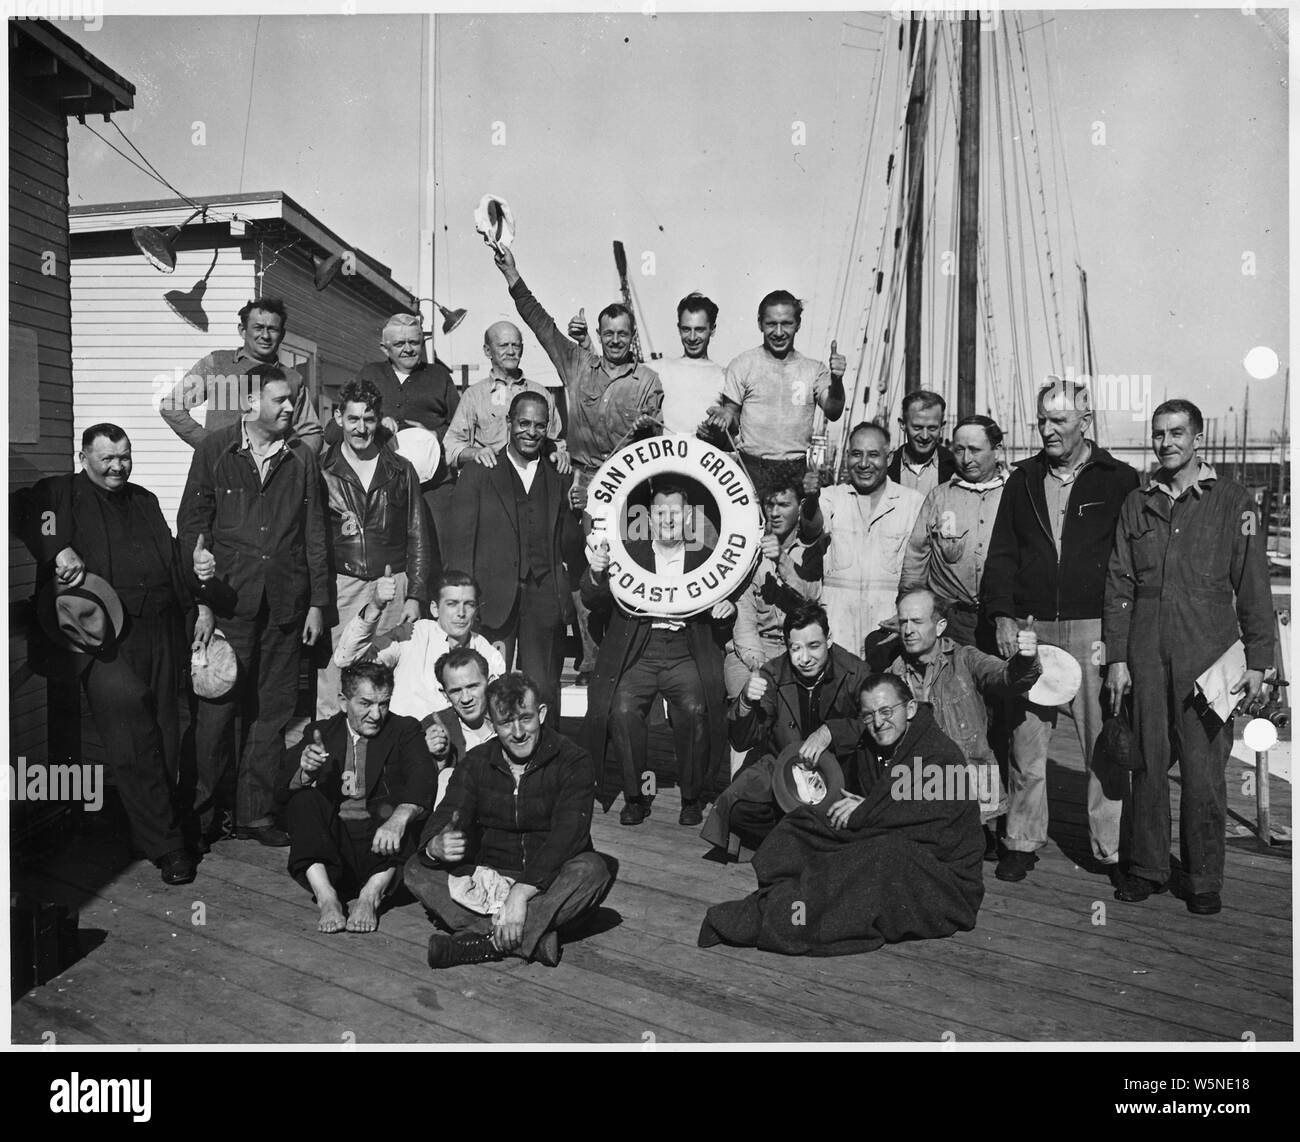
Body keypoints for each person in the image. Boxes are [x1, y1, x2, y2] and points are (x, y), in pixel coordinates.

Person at [1104, 399, 1273, 915]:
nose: (1166, 443)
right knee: (1149, 764)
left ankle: (1203, 878)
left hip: (1211, 651)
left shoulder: (1235, 502)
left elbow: (1253, 584)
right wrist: (1117, 656)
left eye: (1177, 433)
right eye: (1158, 434)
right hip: (1146, 650)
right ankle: (1149, 868)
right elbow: (1119, 583)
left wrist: (1260, 659)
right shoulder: (1138, 502)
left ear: (1198, 437)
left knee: (1203, 771)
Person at [15, 424, 194, 884]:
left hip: (161, 628)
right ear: (83, 457)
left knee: (168, 732)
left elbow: (172, 562)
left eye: (125, 457)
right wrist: (58, 550)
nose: (118, 466)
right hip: (104, 641)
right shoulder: (60, 494)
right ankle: (167, 846)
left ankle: (151, 825)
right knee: (133, 738)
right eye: (107, 458)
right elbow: (24, 508)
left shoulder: (145, 499)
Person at [698, 673, 984, 956]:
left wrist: (866, 811)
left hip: (943, 882)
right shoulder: (877, 743)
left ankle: (777, 915)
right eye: (869, 715)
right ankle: (785, 892)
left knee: (876, 856)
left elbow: (933, 829)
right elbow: (854, 737)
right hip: (889, 837)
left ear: (910, 709)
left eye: (887, 711)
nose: (879, 722)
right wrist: (827, 734)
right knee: (805, 821)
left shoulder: (940, 756)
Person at [981, 377, 1139, 884]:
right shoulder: (1022, 479)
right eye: (1042, 421)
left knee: (1101, 745)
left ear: (1085, 423)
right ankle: (1022, 841)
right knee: (1026, 744)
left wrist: (1121, 639)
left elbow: (1130, 563)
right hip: (1033, 629)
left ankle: (1110, 849)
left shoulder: (1120, 479)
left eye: (1060, 422)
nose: (1048, 431)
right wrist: (1003, 614)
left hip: (1093, 627)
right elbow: (1002, 553)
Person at [491, 243, 663, 678]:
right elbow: (540, 323)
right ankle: (589, 657)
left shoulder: (648, 381)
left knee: (632, 565)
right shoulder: (576, 363)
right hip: (582, 486)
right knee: (585, 571)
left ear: (632, 336)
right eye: (609, 334)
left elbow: (653, 439)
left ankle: (626, 656)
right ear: (600, 336)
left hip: (632, 487)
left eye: (624, 334)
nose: (616, 340)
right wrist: (513, 275)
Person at [179, 375, 330, 848]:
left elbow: (315, 535)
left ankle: (255, 814)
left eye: (292, 400)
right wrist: (200, 591)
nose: (290, 408)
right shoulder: (215, 451)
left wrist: (317, 604)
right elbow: (192, 525)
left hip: (285, 606)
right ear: (250, 402)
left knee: (272, 713)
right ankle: (202, 817)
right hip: (228, 603)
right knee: (216, 713)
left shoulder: (301, 457)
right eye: (281, 400)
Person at [405, 673, 613, 969]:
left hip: (547, 880)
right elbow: (448, 812)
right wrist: (435, 844)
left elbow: (569, 835)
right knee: (416, 867)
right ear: (492, 724)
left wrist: (521, 892)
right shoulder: (476, 762)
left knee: (594, 870)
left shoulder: (573, 761)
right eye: (505, 723)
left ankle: (484, 942)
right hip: (489, 875)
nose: (518, 732)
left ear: (541, 714)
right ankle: (532, 938)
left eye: (525, 719)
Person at [582, 482, 735, 827]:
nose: (668, 519)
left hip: (684, 652)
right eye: (661, 512)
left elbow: (723, 611)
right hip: (640, 649)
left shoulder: (705, 557)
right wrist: (596, 571)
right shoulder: (627, 554)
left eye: (676, 512)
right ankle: (636, 796)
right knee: (621, 710)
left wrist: (727, 609)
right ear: (649, 517)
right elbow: (592, 600)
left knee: (696, 708)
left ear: (687, 516)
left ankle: (691, 796)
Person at [450, 391, 586, 712]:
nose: (531, 431)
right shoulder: (481, 470)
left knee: (546, 691)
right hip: (492, 598)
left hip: (543, 598)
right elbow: (459, 544)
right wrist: (464, 603)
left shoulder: (559, 476)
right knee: (487, 687)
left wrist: (577, 511)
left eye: (540, 425)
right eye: (523, 423)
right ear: (509, 423)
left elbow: (569, 545)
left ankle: (546, 758)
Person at [276, 662, 434, 933]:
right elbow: (277, 793)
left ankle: (370, 897)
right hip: (334, 850)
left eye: (383, 704)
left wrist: (399, 816)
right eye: (366, 703)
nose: (376, 714)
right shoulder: (321, 732)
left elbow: (423, 778)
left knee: (404, 813)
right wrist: (303, 770)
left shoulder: (404, 730)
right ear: (342, 701)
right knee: (303, 801)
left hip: (382, 845)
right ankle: (326, 898)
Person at [703, 602, 870, 857]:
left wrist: (830, 732)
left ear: (829, 639)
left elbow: (872, 721)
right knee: (738, 811)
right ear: (787, 646)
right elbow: (742, 740)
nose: (804, 658)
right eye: (795, 648)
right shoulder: (772, 674)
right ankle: (808, 839)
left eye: (813, 646)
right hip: (786, 776)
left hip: (838, 775)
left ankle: (796, 839)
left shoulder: (855, 671)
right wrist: (746, 701)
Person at [884, 587, 1041, 844]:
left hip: (968, 786)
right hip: (917, 791)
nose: (908, 630)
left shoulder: (966, 658)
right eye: (903, 622)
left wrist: (1026, 659)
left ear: (940, 625)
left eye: (917, 621)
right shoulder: (893, 674)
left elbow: (1006, 677)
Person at [317, 379, 433, 718]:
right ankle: (334, 761)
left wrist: (415, 595)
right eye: (353, 419)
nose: (361, 428)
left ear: (378, 420)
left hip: (392, 584)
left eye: (368, 419)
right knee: (335, 681)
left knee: (388, 680)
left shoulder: (400, 469)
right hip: (342, 586)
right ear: (339, 418)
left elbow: (418, 535)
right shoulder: (322, 471)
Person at [325, 312, 461, 560]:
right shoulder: (370, 374)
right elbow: (334, 430)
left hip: (434, 486)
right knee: (389, 555)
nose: (408, 349)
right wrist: (375, 425)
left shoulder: (439, 377)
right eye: (399, 344)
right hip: (384, 488)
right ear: (384, 348)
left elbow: (461, 428)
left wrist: (435, 434)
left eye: (414, 342)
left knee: (438, 554)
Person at [724, 474, 824, 774]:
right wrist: (759, 665)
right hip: (752, 651)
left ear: (799, 507)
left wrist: (782, 560)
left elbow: (814, 597)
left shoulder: (814, 549)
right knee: (747, 695)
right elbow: (744, 622)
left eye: (784, 504)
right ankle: (740, 786)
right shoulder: (747, 547)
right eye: (770, 504)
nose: (775, 512)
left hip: (796, 649)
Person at [705, 289, 845, 498]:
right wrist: (724, 417)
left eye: (786, 323)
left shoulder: (813, 369)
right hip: (750, 469)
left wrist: (837, 380)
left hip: (795, 471)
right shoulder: (743, 364)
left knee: (792, 530)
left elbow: (833, 411)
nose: (778, 332)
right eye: (771, 324)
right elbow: (731, 417)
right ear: (760, 323)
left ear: (798, 324)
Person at [802, 421, 924, 659]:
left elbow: (921, 573)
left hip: (889, 635)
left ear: (889, 459)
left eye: (873, 455)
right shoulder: (830, 497)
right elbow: (810, 529)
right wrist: (811, 500)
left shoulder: (913, 504)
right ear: (847, 457)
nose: (864, 463)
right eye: (857, 454)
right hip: (838, 635)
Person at [332, 570, 506, 723]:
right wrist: (375, 605)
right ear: (434, 608)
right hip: (406, 743)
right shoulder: (412, 635)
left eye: (469, 605)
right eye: (452, 604)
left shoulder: (486, 651)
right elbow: (346, 659)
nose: (461, 613)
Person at [159, 296, 323, 454]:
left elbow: (311, 431)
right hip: (221, 470)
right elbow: (171, 406)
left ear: (282, 335)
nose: (265, 336)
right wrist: (207, 443)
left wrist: (296, 465)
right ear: (243, 331)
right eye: (258, 328)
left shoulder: (292, 378)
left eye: (272, 329)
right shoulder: (217, 363)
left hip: (271, 475)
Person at [901, 414, 1007, 649]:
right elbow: (916, 560)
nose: (967, 459)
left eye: (975, 450)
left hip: (1003, 624)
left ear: (997, 450)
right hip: (950, 624)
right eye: (959, 450)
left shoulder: (1015, 495)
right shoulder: (939, 497)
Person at [442, 320, 568, 474]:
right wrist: (476, 453)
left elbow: (555, 442)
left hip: (531, 480)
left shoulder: (541, 394)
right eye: (503, 345)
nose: (511, 351)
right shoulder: (474, 396)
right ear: (488, 351)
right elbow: (451, 446)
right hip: (489, 480)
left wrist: (558, 454)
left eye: (516, 345)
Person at [422, 646, 498, 808]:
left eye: (472, 687)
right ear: (445, 694)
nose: (465, 699)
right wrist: (436, 760)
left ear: (490, 682)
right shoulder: (433, 726)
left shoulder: (512, 721)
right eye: (456, 691)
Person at [646, 292, 728, 438]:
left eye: (699, 329)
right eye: (686, 329)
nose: (692, 337)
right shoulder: (659, 368)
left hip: (702, 458)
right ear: (679, 329)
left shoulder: (725, 375)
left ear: (712, 329)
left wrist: (716, 435)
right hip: (664, 457)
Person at [887, 389, 958, 495]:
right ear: (902, 425)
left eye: (932, 428)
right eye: (917, 427)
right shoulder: (886, 467)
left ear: (942, 427)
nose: (925, 436)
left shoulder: (956, 467)